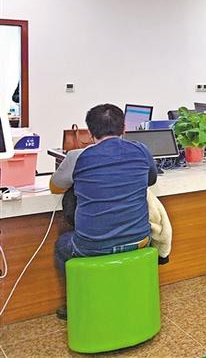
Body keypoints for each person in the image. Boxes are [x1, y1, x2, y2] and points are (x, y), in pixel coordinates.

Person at [50, 104, 157, 319]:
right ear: (124, 128)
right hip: (139, 240)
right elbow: (151, 179)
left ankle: (76, 305)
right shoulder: (141, 150)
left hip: (91, 246)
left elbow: (55, 186)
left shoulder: (77, 156)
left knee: (62, 245)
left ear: (90, 133)